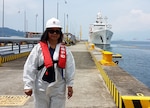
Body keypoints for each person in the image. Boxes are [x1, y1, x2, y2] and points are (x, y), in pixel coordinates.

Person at [23, 17, 75, 108]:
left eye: (57, 31)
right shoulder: (38, 49)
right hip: (41, 87)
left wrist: (70, 85)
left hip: (58, 87)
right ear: (47, 32)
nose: (54, 33)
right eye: (51, 31)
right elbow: (30, 66)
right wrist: (28, 85)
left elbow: (70, 68)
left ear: (60, 33)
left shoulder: (65, 50)